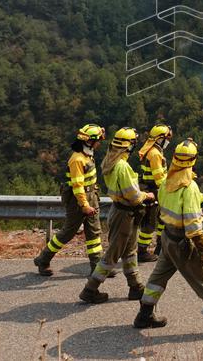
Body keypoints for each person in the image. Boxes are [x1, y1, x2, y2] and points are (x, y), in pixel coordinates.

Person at [134, 139, 203, 336]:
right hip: (184, 242)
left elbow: (165, 208)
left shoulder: (167, 181)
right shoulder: (189, 188)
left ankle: (144, 315)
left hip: (168, 237)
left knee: (158, 277)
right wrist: (202, 247)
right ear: (193, 160)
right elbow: (193, 226)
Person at [79, 127, 155, 304]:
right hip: (126, 215)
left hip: (119, 210)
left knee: (130, 252)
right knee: (112, 255)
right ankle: (90, 289)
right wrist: (148, 196)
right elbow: (134, 196)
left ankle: (135, 286)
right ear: (129, 146)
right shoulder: (123, 167)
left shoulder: (109, 161)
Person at [33, 123, 105, 276]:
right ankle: (43, 259)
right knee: (67, 233)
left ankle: (98, 268)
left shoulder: (87, 155)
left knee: (94, 233)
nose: (99, 143)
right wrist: (84, 205)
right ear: (89, 141)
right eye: (98, 140)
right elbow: (78, 186)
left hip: (91, 197)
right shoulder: (77, 160)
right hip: (78, 201)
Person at [136, 124, 171, 263]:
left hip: (154, 190)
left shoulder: (151, 150)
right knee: (150, 224)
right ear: (160, 139)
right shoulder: (155, 154)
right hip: (154, 192)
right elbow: (159, 179)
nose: (168, 141)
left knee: (161, 221)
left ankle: (160, 248)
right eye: (166, 138)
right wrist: (170, 190)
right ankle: (142, 252)